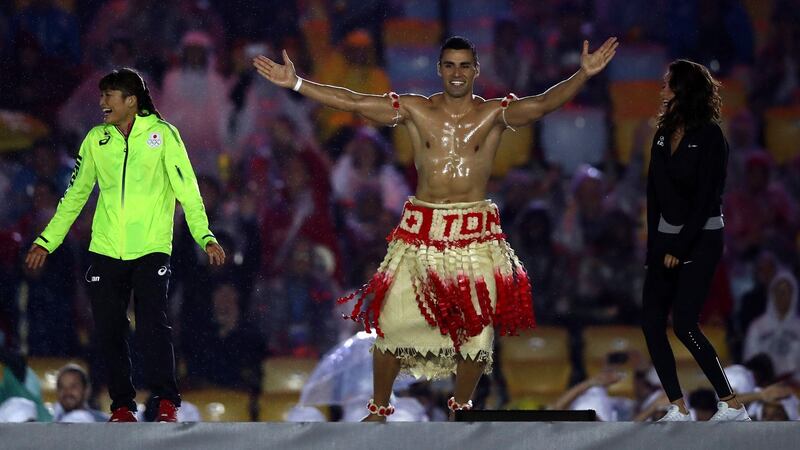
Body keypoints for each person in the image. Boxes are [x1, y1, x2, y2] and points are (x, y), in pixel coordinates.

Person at [254, 35, 618, 421]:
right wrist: (297, 84)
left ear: (475, 70)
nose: (457, 73)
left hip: (473, 231)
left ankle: (460, 407)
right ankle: (378, 409)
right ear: (440, 70)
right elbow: (356, 103)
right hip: (423, 229)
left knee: (477, 336)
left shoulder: (494, 113)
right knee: (391, 324)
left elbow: (543, 104)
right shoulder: (415, 110)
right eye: (450, 65)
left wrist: (582, 74)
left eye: (465, 65)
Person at [24, 68, 225, 422]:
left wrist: (204, 236)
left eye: (108, 96)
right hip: (104, 248)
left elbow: (188, 191)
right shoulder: (95, 141)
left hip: (150, 246)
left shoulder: (163, 136)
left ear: (131, 100)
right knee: (110, 329)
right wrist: (46, 241)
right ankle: (121, 406)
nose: (101, 103)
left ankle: (165, 400)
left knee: (152, 324)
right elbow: (74, 197)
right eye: (101, 96)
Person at [641, 59, 749, 421]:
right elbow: (653, 194)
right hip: (666, 240)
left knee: (684, 323)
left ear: (684, 88)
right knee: (651, 320)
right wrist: (654, 249)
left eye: (668, 83)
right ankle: (677, 406)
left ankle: (731, 403)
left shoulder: (710, 136)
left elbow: (706, 199)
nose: (662, 89)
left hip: (701, 237)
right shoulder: (661, 132)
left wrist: (679, 248)